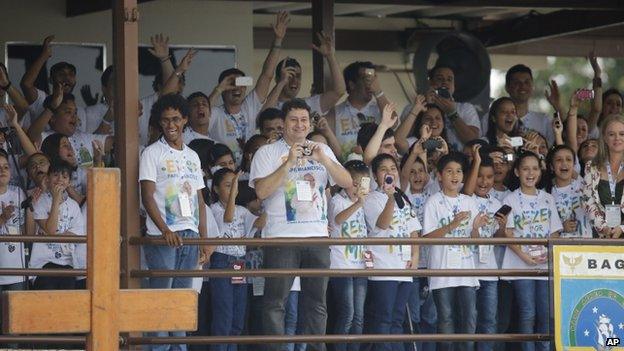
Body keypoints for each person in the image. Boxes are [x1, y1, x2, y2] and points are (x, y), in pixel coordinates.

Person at [249, 98, 351, 351]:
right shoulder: (267, 152)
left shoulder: (322, 150)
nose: (299, 125)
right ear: (282, 124)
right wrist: (288, 163)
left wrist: (323, 159)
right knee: (275, 302)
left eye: (304, 120)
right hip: (281, 238)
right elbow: (261, 191)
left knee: (316, 303)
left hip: (317, 237)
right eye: (293, 120)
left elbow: (347, 181)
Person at [139, 93, 209, 351]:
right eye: (166, 120)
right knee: (162, 297)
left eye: (176, 119)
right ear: (159, 122)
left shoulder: (192, 155)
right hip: (162, 236)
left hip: (190, 233)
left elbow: (200, 200)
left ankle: (179, 348)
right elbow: (147, 197)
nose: (171, 125)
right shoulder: (151, 152)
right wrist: (165, 230)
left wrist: (203, 238)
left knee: (181, 298)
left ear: (185, 120)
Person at [202, 12, 289, 163]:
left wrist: (278, 40)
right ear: (223, 89)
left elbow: (267, 75)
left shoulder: (249, 106)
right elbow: (200, 114)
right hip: (224, 173)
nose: (237, 88)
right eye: (231, 84)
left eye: (241, 84)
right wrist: (218, 89)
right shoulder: (215, 113)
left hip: (251, 169)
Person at [502, 151, 562, 351]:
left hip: (545, 265)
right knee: (527, 313)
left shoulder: (547, 198)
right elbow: (507, 233)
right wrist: (524, 256)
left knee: (546, 314)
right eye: (525, 168)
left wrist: (546, 252)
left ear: (540, 171)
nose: (530, 173)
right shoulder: (509, 199)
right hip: (521, 265)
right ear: (517, 172)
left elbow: (555, 233)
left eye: (535, 168)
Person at [423, 152, 482, 351]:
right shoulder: (433, 202)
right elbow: (427, 239)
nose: (454, 175)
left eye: (458, 171)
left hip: (466, 270)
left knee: (469, 318)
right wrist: (452, 224)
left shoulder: (469, 201)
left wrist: (475, 228)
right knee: (445, 320)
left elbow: (476, 242)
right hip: (442, 270)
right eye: (449, 171)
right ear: (439, 175)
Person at [361, 153, 420, 351]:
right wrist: (390, 199)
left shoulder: (403, 196)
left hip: (404, 267)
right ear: (376, 175)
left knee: (398, 318)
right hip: (383, 266)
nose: (389, 172)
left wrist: (415, 257)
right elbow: (382, 224)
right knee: (383, 318)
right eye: (384, 169)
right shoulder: (371, 198)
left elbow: (414, 230)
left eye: (393, 168)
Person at [209, 168, 263, 351]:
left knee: (237, 319)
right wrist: (234, 193)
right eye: (227, 185)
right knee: (224, 317)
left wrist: (270, 200)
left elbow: (259, 223)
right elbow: (228, 216)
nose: (233, 189)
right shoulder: (214, 209)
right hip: (222, 261)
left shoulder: (243, 210)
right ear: (215, 189)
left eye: (235, 185)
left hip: (239, 263)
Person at [462, 146, 509, 351]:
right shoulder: (466, 199)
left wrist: (502, 227)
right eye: (480, 176)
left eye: (489, 177)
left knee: (489, 321)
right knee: (469, 321)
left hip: (490, 271)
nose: (484, 181)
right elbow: (468, 189)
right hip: (467, 269)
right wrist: (477, 161)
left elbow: (499, 240)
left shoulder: (498, 203)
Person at [328, 160, 369, 351]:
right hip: (341, 266)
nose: (357, 187)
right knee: (347, 313)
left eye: (363, 183)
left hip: (360, 265)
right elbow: (338, 219)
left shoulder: (364, 203)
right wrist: (358, 204)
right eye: (354, 182)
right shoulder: (337, 200)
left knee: (359, 316)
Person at [30, 160, 85, 290]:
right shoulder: (40, 201)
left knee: (67, 299)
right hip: (43, 262)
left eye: (65, 177)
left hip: (67, 262)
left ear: (69, 182)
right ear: (47, 178)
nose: (60, 179)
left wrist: (57, 235)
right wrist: (56, 199)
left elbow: (76, 234)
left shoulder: (74, 206)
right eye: (55, 175)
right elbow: (51, 231)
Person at [265, 33, 346, 118]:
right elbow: (264, 116)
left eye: (298, 76)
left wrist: (330, 56)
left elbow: (339, 92)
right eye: (289, 76)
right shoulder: (268, 105)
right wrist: (281, 83)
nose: (294, 81)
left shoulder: (307, 105)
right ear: (277, 79)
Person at [329, 61, 390, 160]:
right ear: (352, 84)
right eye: (366, 79)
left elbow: (394, 123)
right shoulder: (335, 113)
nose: (370, 84)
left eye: (373, 79)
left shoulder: (380, 108)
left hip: (375, 170)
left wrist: (379, 92)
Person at [582, 114, 624, 239]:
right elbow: (588, 201)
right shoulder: (591, 167)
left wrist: (621, 228)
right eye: (611, 134)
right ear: (604, 138)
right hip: (603, 237)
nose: (617, 138)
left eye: (622, 134)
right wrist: (604, 228)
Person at [423, 65, 480, 152]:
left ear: (454, 85)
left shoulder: (466, 108)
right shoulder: (416, 107)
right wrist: (427, 105)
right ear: (430, 82)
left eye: (449, 79)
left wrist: (452, 113)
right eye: (440, 79)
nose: (445, 82)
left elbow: (473, 140)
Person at [502, 64, 557, 146]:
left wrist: (558, 106)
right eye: (517, 82)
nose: (522, 86)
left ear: (532, 86)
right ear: (507, 87)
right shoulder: (494, 118)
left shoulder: (544, 121)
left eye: (527, 82)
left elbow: (563, 142)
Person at [546, 145, 591, 238]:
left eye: (569, 159)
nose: (564, 163)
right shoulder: (545, 194)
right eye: (559, 160)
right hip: (559, 250)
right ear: (551, 166)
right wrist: (561, 227)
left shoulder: (585, 186)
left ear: (574, 165)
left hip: (587, 246)